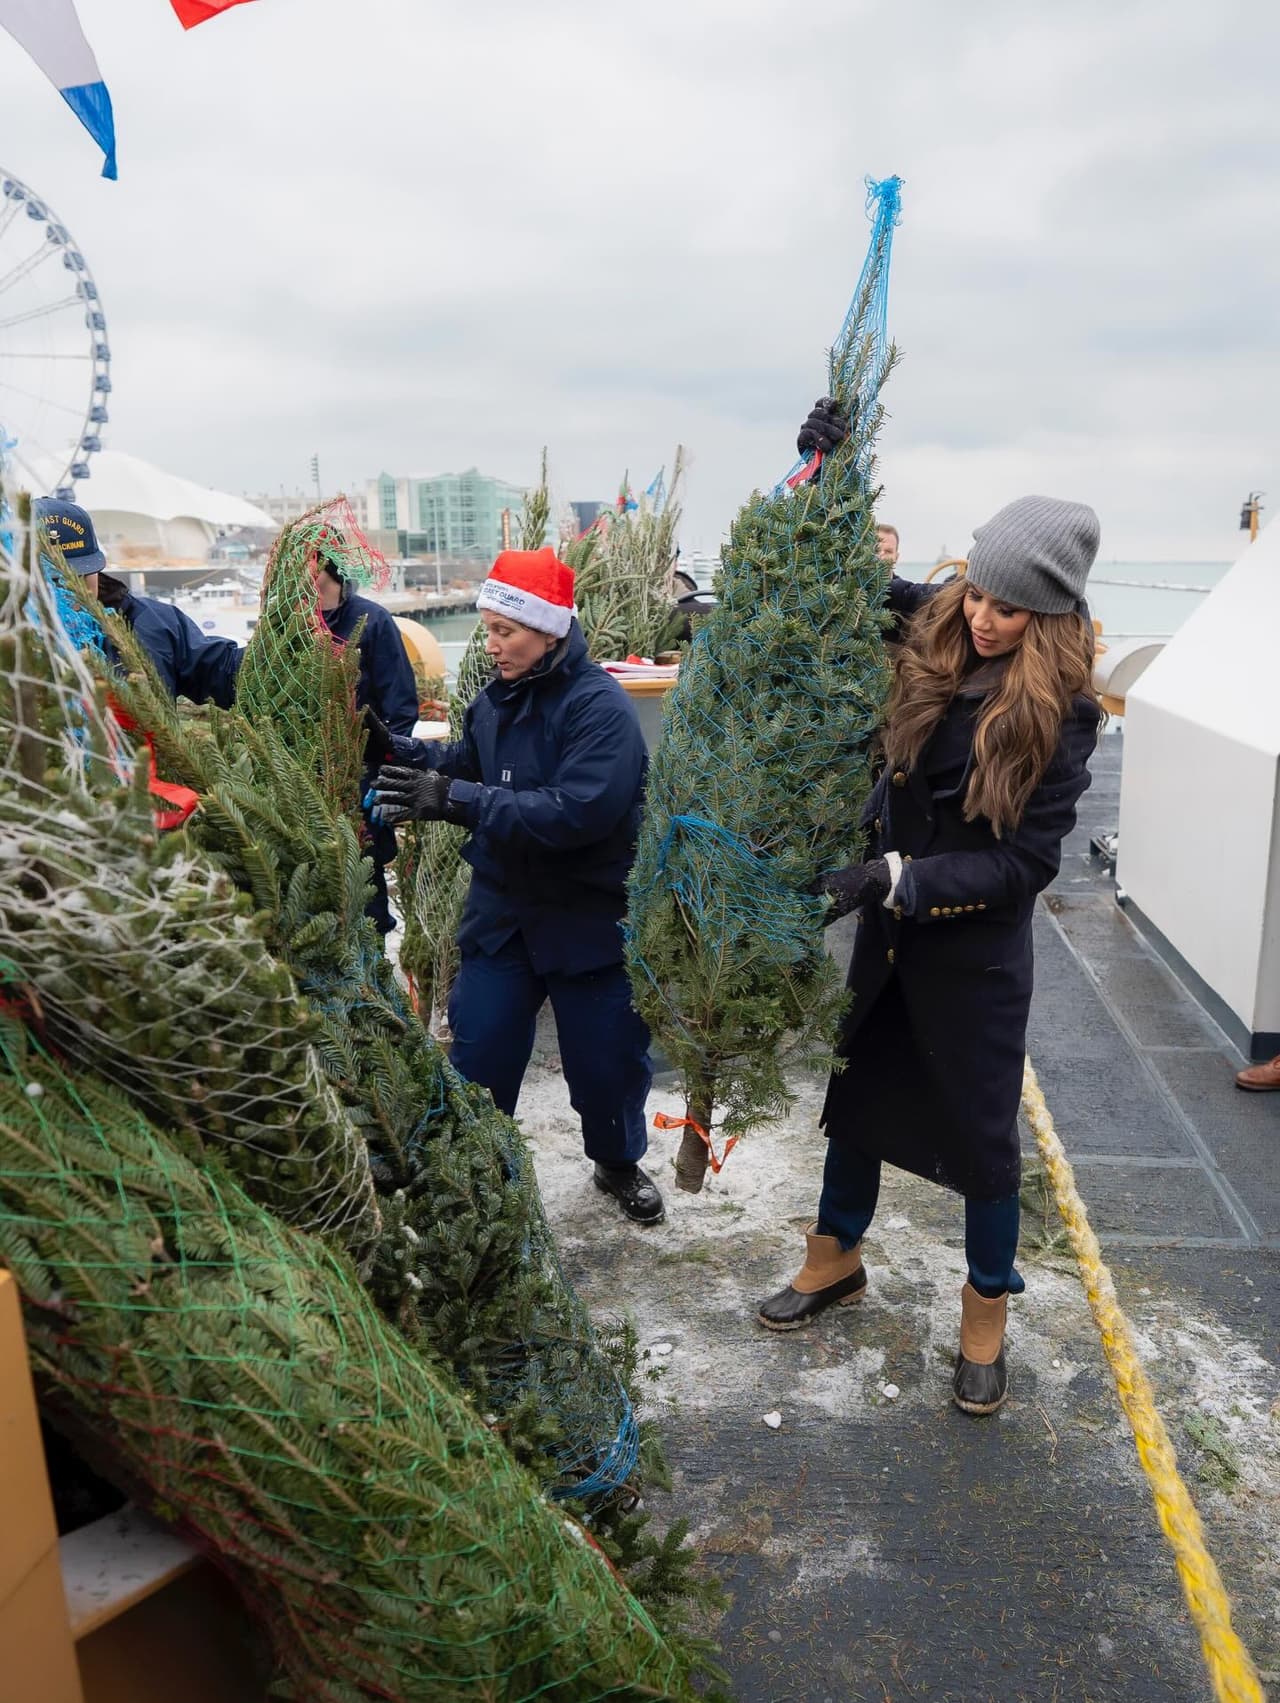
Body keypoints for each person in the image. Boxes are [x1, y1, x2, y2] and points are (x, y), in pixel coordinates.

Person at [758, 467, 1102, 1417]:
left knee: (984, 1140)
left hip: (972, 956)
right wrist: (822, 472)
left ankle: (985, 1311)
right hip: (890, 940)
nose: (984, 618)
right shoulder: (940, 623)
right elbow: (837, 572)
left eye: (1010, 610)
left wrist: (894, 877)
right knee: (856, 1092)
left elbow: (1021, 868)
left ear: (1053, 612)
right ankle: (835, 1257)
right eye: (978, 593)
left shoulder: (1063, 714)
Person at [370, 547, 663, 1224]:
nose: (492, 644)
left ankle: (616, 1160)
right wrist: (405, 754)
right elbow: (468, 762)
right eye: (489, 629)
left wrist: (455, 798)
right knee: (482, 1047)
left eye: (506, 631)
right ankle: (479, 1170)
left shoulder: (600, 710)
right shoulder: (495, 700)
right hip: (503, 911)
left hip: (587, 916)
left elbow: (575, 811)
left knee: (607, 1064)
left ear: (549, 630)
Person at [36, 498, 241, 709]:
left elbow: (221, 671)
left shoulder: (152, 624)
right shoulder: (14, 642)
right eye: (53, 580)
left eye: (81, 575)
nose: (68, 589)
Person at [312, 539, 418, 935]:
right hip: (309, 776)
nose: (312, 591)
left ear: (338, 576)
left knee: (368, 897)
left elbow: (402, 706)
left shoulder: (372, 622)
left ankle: (373, 967)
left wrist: (383, 776)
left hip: (363, 775)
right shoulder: (291, 625)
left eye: (319, 580)